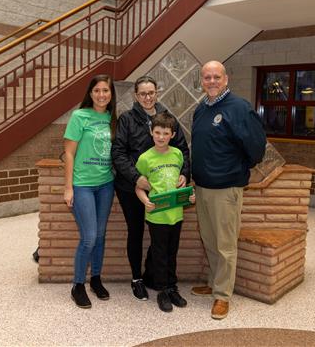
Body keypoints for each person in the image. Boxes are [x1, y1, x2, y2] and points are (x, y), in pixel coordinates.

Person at [191, 61, 266, 319]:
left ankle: (222, 296)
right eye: (207, 77)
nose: (211, 81)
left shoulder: (239, 108)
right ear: (202, 81)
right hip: (202, 187)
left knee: (225, 245)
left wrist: (236, 168)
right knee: (210, 240)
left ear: (225, 79)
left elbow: (256, 148)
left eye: (216, 77)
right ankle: (214, 284)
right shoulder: (201, 109)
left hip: (226, 188)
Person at [111, 75, 190, 301]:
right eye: (143, 93)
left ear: (157, 93)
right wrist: (136, 178)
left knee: (162, 235)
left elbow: (183, 150)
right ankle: (137, 279)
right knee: (136, 232)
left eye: (151, 93)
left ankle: (155, 277)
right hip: (131, 188)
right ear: (136, 96)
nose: (147, 97)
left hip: (164, 190)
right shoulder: (126, 119)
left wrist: (184, 175)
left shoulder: (167, 119)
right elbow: (118, 153)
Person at [63, 74, 117, 309]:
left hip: (106, 184)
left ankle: (95, 278)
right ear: (90, 93)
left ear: (111, 94)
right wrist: (68, 188)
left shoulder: (112, 118)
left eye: (106, 90)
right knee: (89, 237)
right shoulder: (79, 116)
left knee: (101, 235)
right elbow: (69, 154)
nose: (102, 94)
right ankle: (78, 285)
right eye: (97, 90)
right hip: (82, 185)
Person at [135, 112, 195, 312]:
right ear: (151, 133)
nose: (161, 137)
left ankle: (172, 288)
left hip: (176, 215)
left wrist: (188, 195)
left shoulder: (177, 154)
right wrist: (145, 201)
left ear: (172, 134)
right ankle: (161, 291)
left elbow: (181, 184)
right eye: (157, 132)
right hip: (157, 216)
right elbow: (139, 187)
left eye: (165, 133)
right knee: (159, 254)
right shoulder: (145, 158)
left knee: (172, 253)